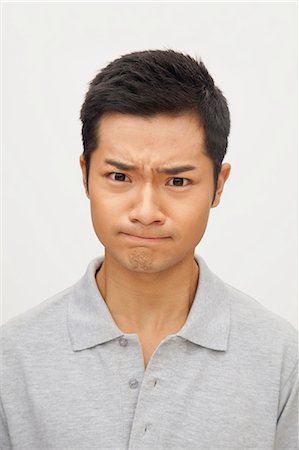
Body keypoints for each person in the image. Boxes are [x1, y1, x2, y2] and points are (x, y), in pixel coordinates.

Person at [0, 49, 297, 450]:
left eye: (177, 182)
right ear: (86, 176)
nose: (145, 212)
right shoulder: (12, 357)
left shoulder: (282, 359)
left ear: (218, 185)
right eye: (119, 176)